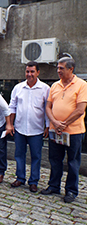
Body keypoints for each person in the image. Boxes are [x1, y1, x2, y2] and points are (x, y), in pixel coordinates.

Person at [41, 57, 87, 203]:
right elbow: (48, 106)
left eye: (61, 68)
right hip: (56, 131)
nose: (58, 71)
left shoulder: (81, 85)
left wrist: (64, 123)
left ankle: (71, 191)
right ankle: (54, 186)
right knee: (55, 159)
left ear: (71, 69)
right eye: (58, 68)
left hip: (74, 131)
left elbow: (80, 110)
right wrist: (55, 122)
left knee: (73, 162)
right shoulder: (55, 85)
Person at [9, 61, 50, 192]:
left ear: (38, 72)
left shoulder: (45, 89)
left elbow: (48, 109)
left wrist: (48, 126)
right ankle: (20, 178)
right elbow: (12, 107)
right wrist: (10, 124)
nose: (29, 74)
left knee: (36, 156)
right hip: (20, 128)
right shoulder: (18, 88)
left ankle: (33, 181)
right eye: (27, 71)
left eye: (32, 71)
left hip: (36, 129)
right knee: (19, 154)